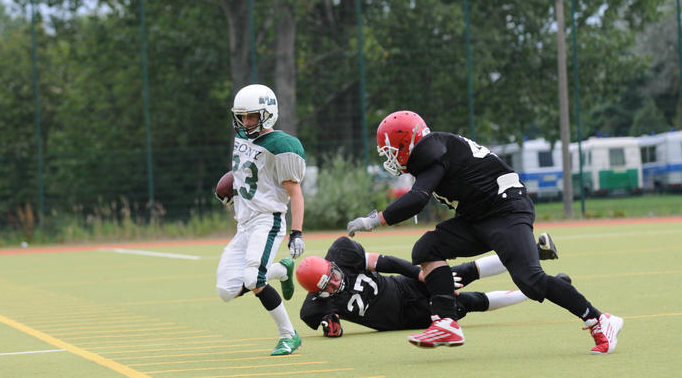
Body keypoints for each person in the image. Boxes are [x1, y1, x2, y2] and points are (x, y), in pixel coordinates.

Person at [347, 111, 623, 354]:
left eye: (392, 150)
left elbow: (418, 198)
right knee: (427, 248)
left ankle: (599, 319)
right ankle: (445, 322)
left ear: (407, 143)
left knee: (530, 280)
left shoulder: (432, 150)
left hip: (506, 210)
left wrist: (374, 220)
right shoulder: (435, 149)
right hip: (478, 216)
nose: (390, 158)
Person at [297, 236, 565, 337]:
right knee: (468, 301)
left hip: (402, 286)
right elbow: (322, 322)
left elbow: (386, 262)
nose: (336, 281)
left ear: (330, 264)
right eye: (328, 285)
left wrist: (420, 274)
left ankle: (533, 250)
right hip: (405, 318)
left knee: (460, 272)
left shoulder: (342, 253)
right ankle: (539, 290)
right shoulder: (313, 307)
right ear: (317, 293)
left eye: (333, 275)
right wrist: (330, 322)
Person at [215, 84, 306, 356]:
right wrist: (235, 192)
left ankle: (289, 335)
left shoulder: (282, 145)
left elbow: (295, 194)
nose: (245, 122)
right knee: (227, 289)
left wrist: (297, 232)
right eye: (242, 116)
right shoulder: (242, 138)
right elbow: (249, 175)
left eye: (252, 116)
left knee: (254, 279)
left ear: (267, 114)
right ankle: (281, 270)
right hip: (244, 224)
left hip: (268, 220)